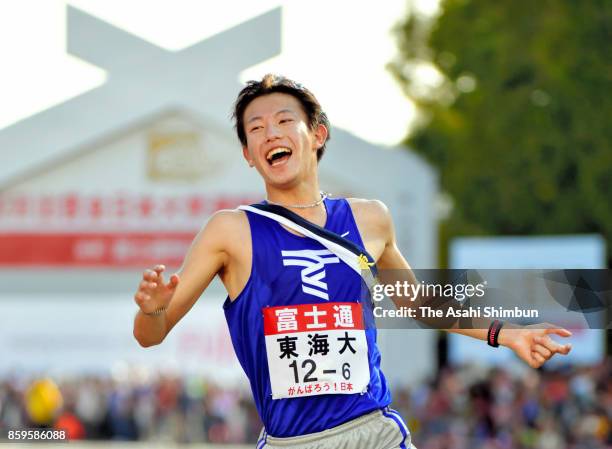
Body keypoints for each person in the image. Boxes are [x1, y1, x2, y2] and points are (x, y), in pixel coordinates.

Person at [133, 74, 572, 449]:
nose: (271, 134)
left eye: (285, 121)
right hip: (293, 440)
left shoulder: (370, 219)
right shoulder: (230, 230)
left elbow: (418, 305)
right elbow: (151, 336)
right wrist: (152, 308)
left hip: (372, 431)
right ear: (249, 154)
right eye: (256, 129)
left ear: (317, 135)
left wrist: (506, 333)